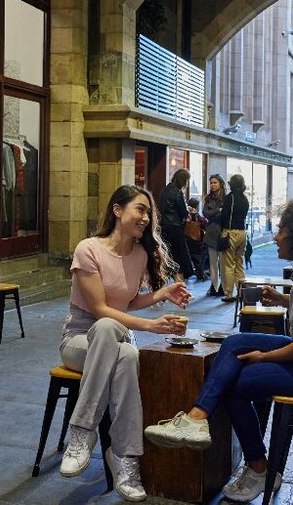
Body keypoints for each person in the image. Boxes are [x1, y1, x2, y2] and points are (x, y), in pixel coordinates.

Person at [144, 199, 293, 502]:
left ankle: (259, 467)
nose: (275, 235)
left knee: (239, 385)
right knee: (236, 342)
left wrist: (266, 357)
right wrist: (283, 300)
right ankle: (196, 418)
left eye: (281, 230)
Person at [60, 185, 192, 502]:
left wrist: (161, 294)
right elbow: (101, 309)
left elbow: (127, 302)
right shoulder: (88, 249)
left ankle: (99, 443)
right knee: (118, 340)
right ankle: (113, 451)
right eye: (140, 209)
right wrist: (151, 326)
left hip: (114, 335)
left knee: (120, 342)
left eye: (149, 212)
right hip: (79, 339)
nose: (146, 217)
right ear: (118, 210)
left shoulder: (141, 254)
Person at [159, 168, 194, 281]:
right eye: (187, 180)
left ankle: (164, 286)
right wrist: (188, 211)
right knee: (180, 259)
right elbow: (182, 211)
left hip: (164, 227)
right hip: (175, 228)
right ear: (183, 180)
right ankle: (180, 287)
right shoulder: (177, 192)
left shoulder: (165, 190)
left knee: (168, 257)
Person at [219, 174, 250, 303]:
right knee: (239, 263)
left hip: (230, 232)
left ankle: (229, 293)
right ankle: (242, 292)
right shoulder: (244, 198)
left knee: (228, 264)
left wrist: (222, 231)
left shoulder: (230, 198)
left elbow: (224, 216)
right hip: (243, 233)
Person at [202, 174, 227, 296]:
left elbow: (225, 215)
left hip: (223, 233)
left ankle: (223, 286)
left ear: (220, 184)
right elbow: (205, 213)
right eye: (211, 183)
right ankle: (214, 287)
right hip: (211, 233)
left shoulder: (226, 198)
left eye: (215, 182)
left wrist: (214, 213)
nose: (212, 185)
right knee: (212, 263)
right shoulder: (208, 198)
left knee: (223, 262)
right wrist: (218, 211)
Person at [186, 197, 209, 281]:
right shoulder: (198, 218)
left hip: (187, 244)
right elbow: (206, 225)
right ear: (196, 207)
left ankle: (197, 271)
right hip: (197, 244)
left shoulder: (185, 216)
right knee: (206, 250)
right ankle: (201, 272)